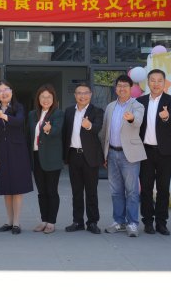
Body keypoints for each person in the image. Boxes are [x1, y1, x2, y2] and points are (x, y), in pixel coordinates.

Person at [99, 75, 146, 237]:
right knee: (115, 191)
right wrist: (104, 154)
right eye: (119, 85)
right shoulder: (110, 106)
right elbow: (105, 131)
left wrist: (131, 119)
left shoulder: (137, 105)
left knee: (132, 191)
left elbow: (138, 121)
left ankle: (132, 223)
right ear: (115, 88)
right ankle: (118, 221)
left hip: (129, 154)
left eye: (125, 86)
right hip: (112, 153)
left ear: (131, 88)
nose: (122, 88)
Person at [137, 68, 171, 235]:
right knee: (146, 188)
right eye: (152, 80)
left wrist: (166, 116)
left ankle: (162, 222)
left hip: (165, 152)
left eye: (159, 80)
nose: (156, 84)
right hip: (145, 151)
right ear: (148, 82)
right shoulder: (140, 101)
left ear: (164, 83)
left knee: (163, 188)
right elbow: (135, 123)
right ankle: (148, 221)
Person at [0, 79, 33, 234]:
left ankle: (16, 222)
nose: (3, 93)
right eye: (0, 91)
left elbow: (19, 122)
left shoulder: (18, 107)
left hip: (17, 152)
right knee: (6, 188)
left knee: (17, 188)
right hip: (2, 152)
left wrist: (3, 116)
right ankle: (9, 221)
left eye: (6, 89)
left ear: (11, 91)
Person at [63, 82, 104, 234]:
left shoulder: (97, 111)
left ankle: (92, 222)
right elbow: (65, 133)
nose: (82, 96)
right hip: (74, 155)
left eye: (85, 93)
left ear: (90, 95)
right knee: (76, 191)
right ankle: (77, 221)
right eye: (79, 93)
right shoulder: (69, 111)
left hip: (90, 157)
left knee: (91, 192)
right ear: (75, 95)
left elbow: (98, 128)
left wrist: (88, 125)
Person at [28, 84, 64, 234]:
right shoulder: (32, 114)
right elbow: (29, 135)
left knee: (51, 191)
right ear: (38, 98)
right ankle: (44, 220)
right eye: (43, 96)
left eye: (49, 97)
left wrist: (49, 130)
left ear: (53, 99)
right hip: (36, 157)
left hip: (52, 158)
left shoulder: (58, 114)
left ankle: (51, 222)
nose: (46, 99)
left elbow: (57, 130)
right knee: (41, 191)